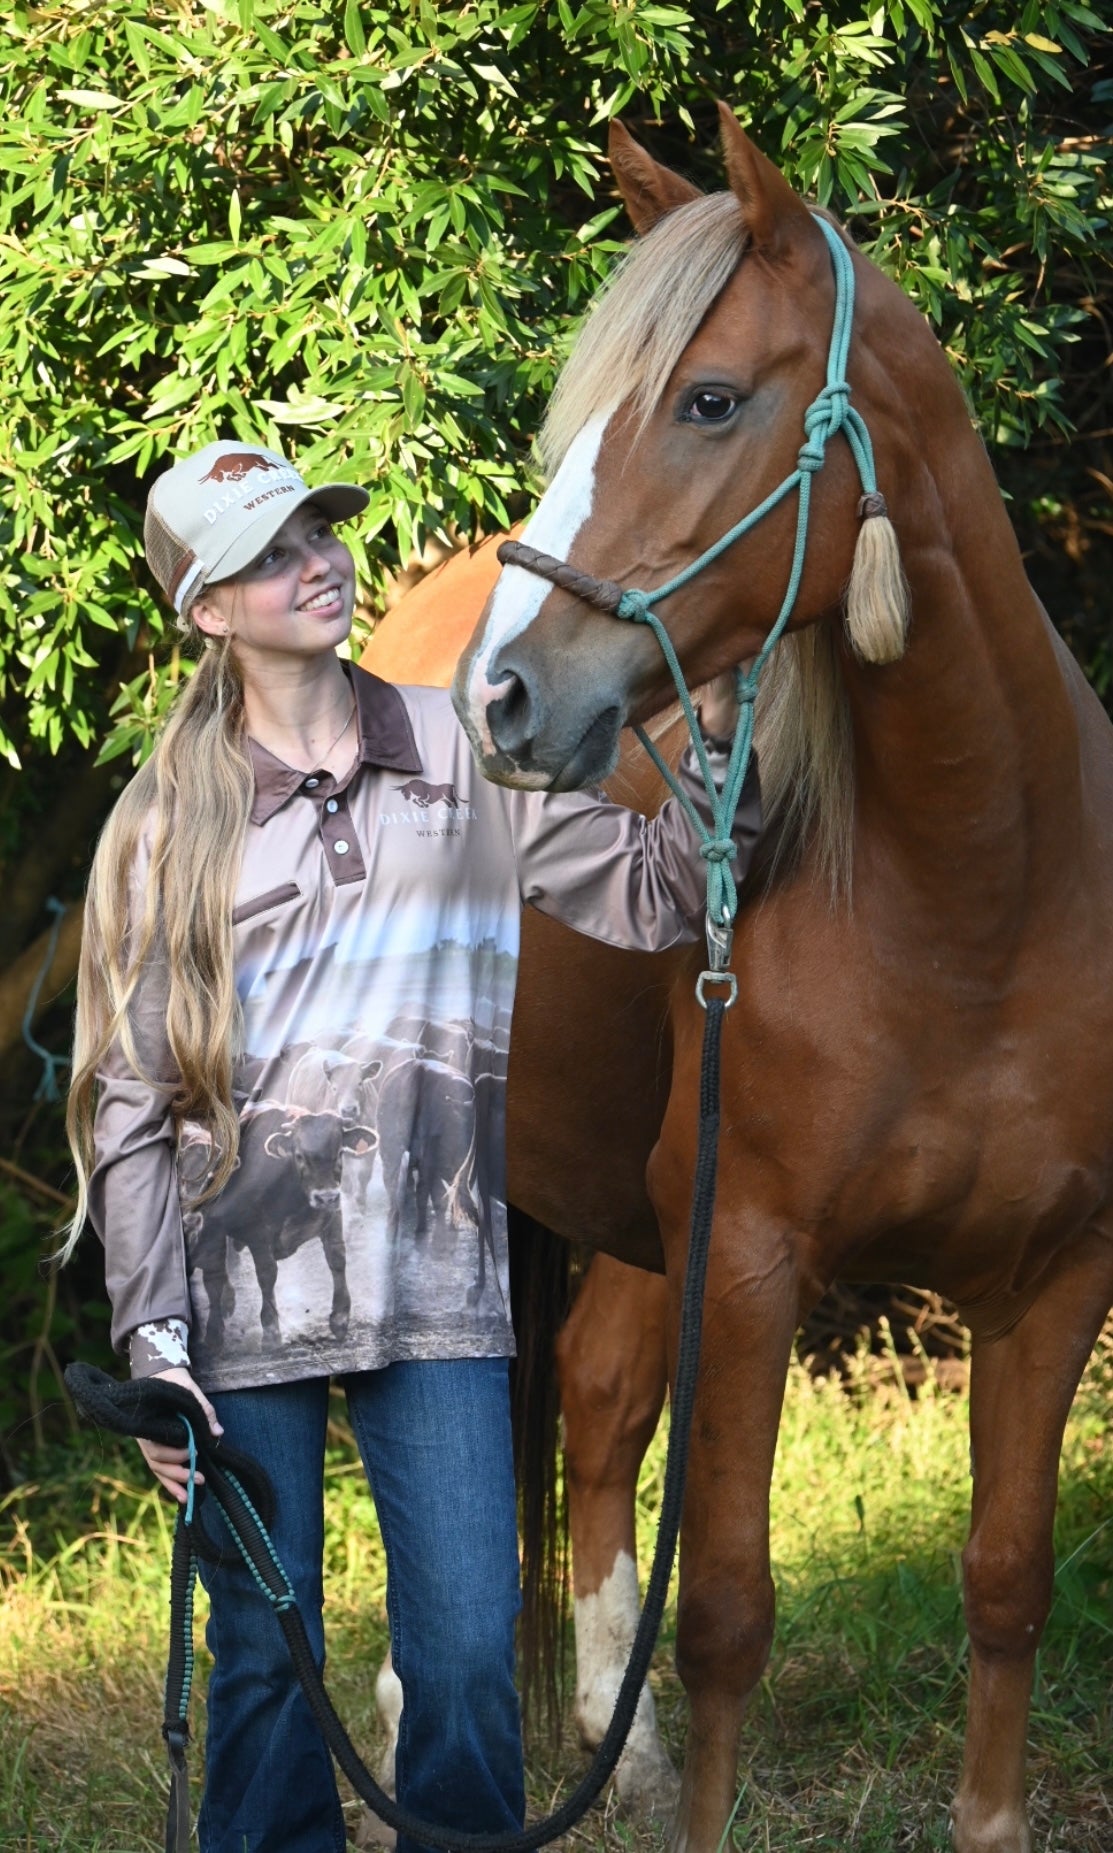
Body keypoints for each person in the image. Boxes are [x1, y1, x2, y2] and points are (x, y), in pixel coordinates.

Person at [64, 437, 761, 1853]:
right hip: (235, 1315)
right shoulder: (161, 822)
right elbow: (129, 1103)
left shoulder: (458, 750)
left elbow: (646, 896)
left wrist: (723, 749)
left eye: (317, 529)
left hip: (439, 1292)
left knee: (457, 1654)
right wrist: (155, 1343)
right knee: (267, 1661)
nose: (314, 561)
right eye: (267, 554)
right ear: (207, 609)